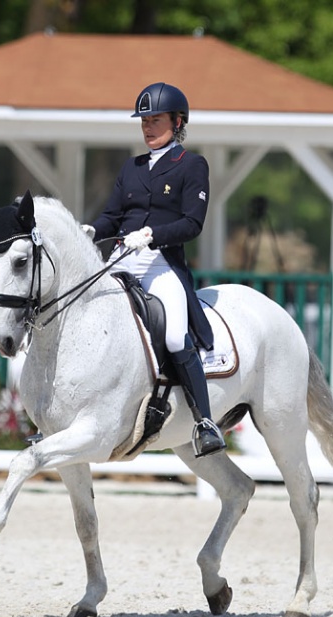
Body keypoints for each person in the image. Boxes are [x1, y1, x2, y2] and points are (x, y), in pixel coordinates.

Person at [91, 81, 226, 458]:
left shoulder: (192, 164)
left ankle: (204, 422)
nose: (148, 127)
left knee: (173, 337)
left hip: (160, 263)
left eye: (156, 120)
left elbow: (192, 224)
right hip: (120, 259)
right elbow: (111, 216)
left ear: (177, 121)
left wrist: (151, 235)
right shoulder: (131, 167)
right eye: (144, 121)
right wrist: (88, 230)